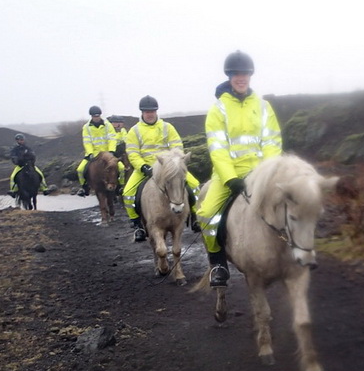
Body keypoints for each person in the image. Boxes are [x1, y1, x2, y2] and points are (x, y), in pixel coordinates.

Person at [196, 50, 283, 287]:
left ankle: (297, 254)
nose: (241, 77)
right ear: (230, 76)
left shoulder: (263, 106)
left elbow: (272, 142)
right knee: (206, 214)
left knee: (293, 203)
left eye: (245, 73)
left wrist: (268, 172)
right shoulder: (218, 109)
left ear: (250, 76)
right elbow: (218, 148)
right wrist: (231, 178)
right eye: (236, 74)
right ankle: (218, 264)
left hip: (260, 173)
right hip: (229, 176)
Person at [122, 95, 200, 242]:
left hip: (168, 167)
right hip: (145, 168)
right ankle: (137, 224)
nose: (150, 114)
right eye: (147, 112)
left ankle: (195, 217)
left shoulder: (167, 127)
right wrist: (143, 166)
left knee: (195, 186)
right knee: (128, 193)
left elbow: (177, 146)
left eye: (152, 111)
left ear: (156, 112)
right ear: (142, 113)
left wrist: (174, 162)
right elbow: (132, 152)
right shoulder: (134, 131)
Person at [76, 106, 117, 196]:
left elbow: (112, 138)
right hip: (93, 154)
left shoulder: (108, 125)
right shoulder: (86, 127)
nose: (96, 118)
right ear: (91, 116)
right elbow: (87, 141)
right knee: (80, 170)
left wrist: (111, 150)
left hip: (107, 153)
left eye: (98, 116)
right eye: (94, 116)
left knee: (120, 168)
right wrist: (90, 153)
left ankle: (119, 186)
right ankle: (84, 187)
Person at [8, 133, 49, 198]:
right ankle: (13, 190)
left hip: (30, 164)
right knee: (12, 177)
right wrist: (18, 161)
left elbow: (33, 156)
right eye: (19, 140)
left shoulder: (27, 148)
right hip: (20, 166)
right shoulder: (15, 149)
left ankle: (44, 188)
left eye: (21, 140)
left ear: (23, 140)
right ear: (16, 141)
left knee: (40, 174)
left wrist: (31, 161)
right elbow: (13, 157)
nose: (20, 141)